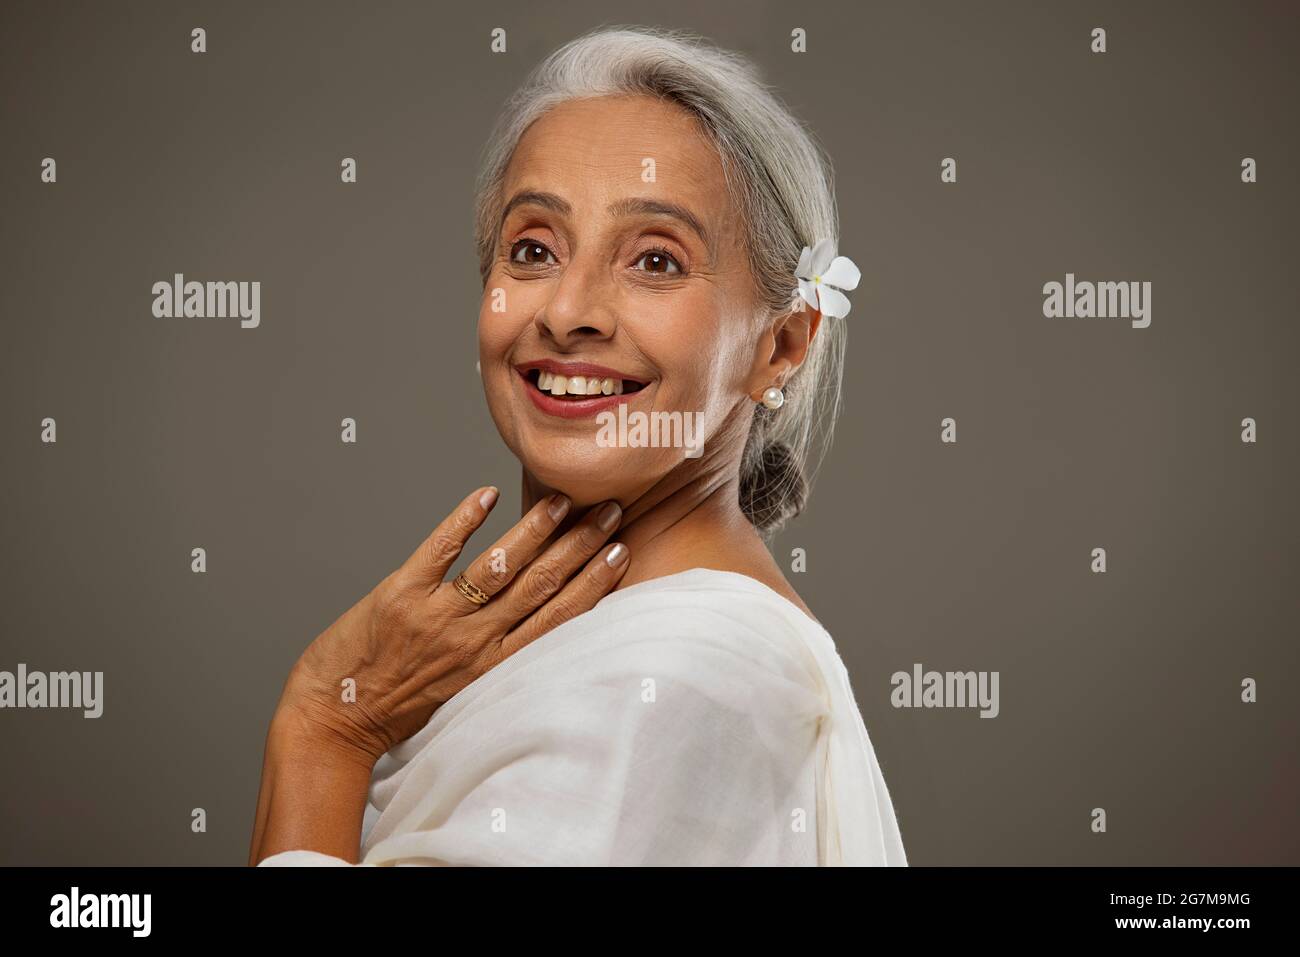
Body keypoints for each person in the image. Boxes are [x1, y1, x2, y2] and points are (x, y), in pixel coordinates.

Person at [250, 24, 906, 867]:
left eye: (656, 261)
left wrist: (323, 730)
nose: (567, 311)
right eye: (533, 249)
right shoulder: (600, 645)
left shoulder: (686, 668)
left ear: (779, 344)